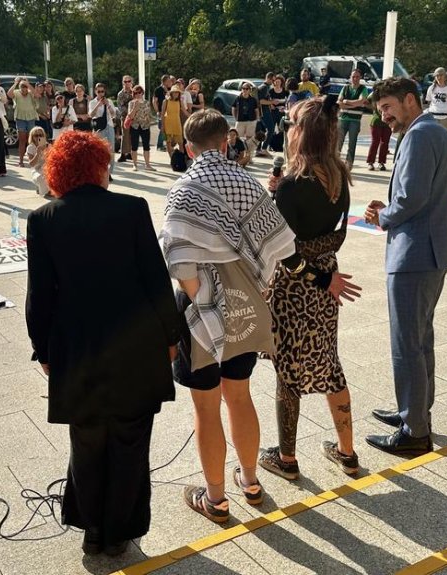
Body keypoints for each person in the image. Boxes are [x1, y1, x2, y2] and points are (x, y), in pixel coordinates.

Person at [25, 130, 180, 557]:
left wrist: (43, 349)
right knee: (130, 440)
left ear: (58, 171)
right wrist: (171, 337)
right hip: (135, 343)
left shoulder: (43, 219)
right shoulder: (132, 209)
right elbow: (155, 280)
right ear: (100, 166)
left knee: (88, 438)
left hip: (77, 349)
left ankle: (93, 530)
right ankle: (119, 532)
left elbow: (40, 296)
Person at [161, 110, 298, 523]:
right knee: (239, 395)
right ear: (226, 142)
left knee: (205, 408)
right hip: (244, 303)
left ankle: (216, 499)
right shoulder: (246, 182)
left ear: (188, 147)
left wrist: (202, 300)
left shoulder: (182, 190)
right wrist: (253, 287)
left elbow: (176, 257)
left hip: (198, 309)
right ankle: (252, 481)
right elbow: (278, 247)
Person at [261, 96, 363, 480]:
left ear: (301, 134)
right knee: (329, 365)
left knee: (289, 373)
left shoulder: (292, 185)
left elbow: (284, 251)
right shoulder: (339, 176)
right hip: (326, 288)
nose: (288, 130)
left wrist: (277, 197)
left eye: (291, 125)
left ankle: (286, 460)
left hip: (295, 289)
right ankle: (347, 452)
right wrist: (327, 277)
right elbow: (329, 234)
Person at [363, 77, 447, 456]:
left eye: (387, 107)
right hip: (432, 251)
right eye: (380, 110)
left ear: (409, 100)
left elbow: (411, 198)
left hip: (414, 254)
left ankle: (414, 430)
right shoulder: (437, 133)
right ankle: (415, 411)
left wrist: (383, 216)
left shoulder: (418, 136)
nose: (384, 116)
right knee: (421, 340)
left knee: (407, 344)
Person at [337, 69, 370, 167]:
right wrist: (352, 105)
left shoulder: (363, 89)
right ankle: (336, 162)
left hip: (355, 120)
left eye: (357, 77)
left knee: (352, 143)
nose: (355, 79)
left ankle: (349, 163)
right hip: (343, 119)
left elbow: (362, 101)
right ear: (350, 78)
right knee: (338, 142)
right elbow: (339, 102)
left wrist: (347, 101)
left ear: (360, 78)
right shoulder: (345, 88)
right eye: (353, 77)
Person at [9, 78, 40, 166]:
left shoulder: (31, 93)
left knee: (32, 140)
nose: (24, 88)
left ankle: (34, 160)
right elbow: (9, 94)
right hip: (20, 118)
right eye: (22, 87)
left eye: (25, 87)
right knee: (22, 140)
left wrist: (28, 84)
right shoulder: (17, 93)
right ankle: (21, 161)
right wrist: (15, 83)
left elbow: (37, 95)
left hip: (31, 118)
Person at [88, 83, 116, 178]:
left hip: (109, 126)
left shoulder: (109, 101)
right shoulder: (92, 102)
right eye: (98, 91)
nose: (100, 93)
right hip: (99, 128)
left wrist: (108, 105)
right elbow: (91, 115)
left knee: (110, 150)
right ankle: (101, 172)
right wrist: (98, 105)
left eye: (102, 91)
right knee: (99, 150)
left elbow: (113, 115)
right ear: (95, 92)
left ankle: (109, 172)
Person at [126, 85, 155, 171]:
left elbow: (149, 115)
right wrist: (135, 107)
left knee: (146, 146)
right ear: (133, 94)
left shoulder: (147, 103)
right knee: (134, 146)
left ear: (142, 93)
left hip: (145, 126)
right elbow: (130, 116)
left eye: (140, 92)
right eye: (136, 93)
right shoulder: (131, 103)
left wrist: (155, 119)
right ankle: (135, 165)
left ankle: (147, 165)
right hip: (134, 126)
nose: (138, 94)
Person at [424, 67, 447, 135]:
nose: (439, 77)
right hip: (433, 116)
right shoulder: (431, 88)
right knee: (432, 137)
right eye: (437, 75)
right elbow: (428, 102)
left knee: (443, 138)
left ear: (445, 76)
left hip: (445, 117)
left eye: (441, 75)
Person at [231, 82, 261, 162]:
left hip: (251, 120)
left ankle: (249, 157)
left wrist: (257, 119)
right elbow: (233, 108)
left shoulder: (253, 99)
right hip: (240, 120)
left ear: (249, 90)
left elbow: (256, 110)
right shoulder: (238, 98)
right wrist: (235, 117)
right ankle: (239, 157)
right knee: (238, 138)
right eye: (243, 88)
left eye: (246, 89)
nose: (244, 90)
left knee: (250, 139)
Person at [366, 93, 392, 171]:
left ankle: (381, 163)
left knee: (385, 142)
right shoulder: (376, 94)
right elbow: (367, 101)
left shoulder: (392, 95)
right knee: (375, 142)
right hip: (376, 121)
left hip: (388, 122)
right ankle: (370, 162)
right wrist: (373, 108)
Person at [257, 72, 277, 156]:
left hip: (265, 111)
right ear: (268, 78)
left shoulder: (266, 87)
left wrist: (270, 104)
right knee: (271, 129)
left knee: (262, 130)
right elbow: (261, 101)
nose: (274, 82)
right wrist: (272, 102)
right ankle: (264, 148)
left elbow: (265, 100)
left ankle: (259, 149)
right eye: (273, 80)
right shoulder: (264, 87)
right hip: (263, 112)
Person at [25, 126, 48, 196]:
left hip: (46, 167)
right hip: (36, 169)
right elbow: (32, 164)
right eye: (36, 135)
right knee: (40, 177)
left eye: (40, 135)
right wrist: (38, 153)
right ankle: (44, 190)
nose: (38, 137)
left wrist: (46, 150)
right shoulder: (30, 147)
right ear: (32, 137)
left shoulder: (47, 145)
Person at [161, 86, 185, 155]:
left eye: (177, 93)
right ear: (171, 93)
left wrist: (191, 116)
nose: (176, 94)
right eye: (174, 92)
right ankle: (171, 159)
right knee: (168, 142)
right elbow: (162, 114)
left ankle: (181, 159)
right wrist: (162, 125)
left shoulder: (180, 101)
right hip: (168, 123)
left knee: (180, 143)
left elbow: (184, 111)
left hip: (177, 123)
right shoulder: (166, 101)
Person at [116, 76, 135, 162]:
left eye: (129, 81)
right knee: (125, 135)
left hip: (135, 117)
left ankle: (130, 153)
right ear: (123, 83)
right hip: (125, 117)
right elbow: (120, 106)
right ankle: (123, 154)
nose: (127, 83)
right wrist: (129, 112)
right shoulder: (120, 94)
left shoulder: (135, 92)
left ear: (132, 82)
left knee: (133, 135)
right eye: (125, 81)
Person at [153, 75, 173, 151]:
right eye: (168, 81)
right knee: (162, 127)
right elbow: (154, 101)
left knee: (168, 128)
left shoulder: (170, 89)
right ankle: (159, 145)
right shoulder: (158, 90)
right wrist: (157, 111)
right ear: (163, 82)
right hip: (161, 111)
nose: (169, 82)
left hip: (170, 112)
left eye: (170, 81)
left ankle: (168, 144)